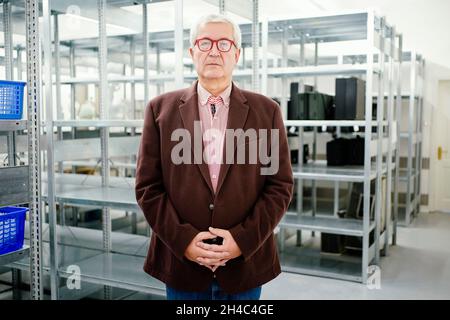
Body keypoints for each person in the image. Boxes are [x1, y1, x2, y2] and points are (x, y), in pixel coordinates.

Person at [135, 14, 293, 300]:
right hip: (182, 264)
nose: (214, 51)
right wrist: (184, 241)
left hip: (244, 264)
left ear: (237, 54)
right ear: (192, 52)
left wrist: (241, 241)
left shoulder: (266, 111)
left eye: (224, 43)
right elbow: (148, 187)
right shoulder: (160, 110)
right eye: (205, 42)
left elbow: (279, 186)